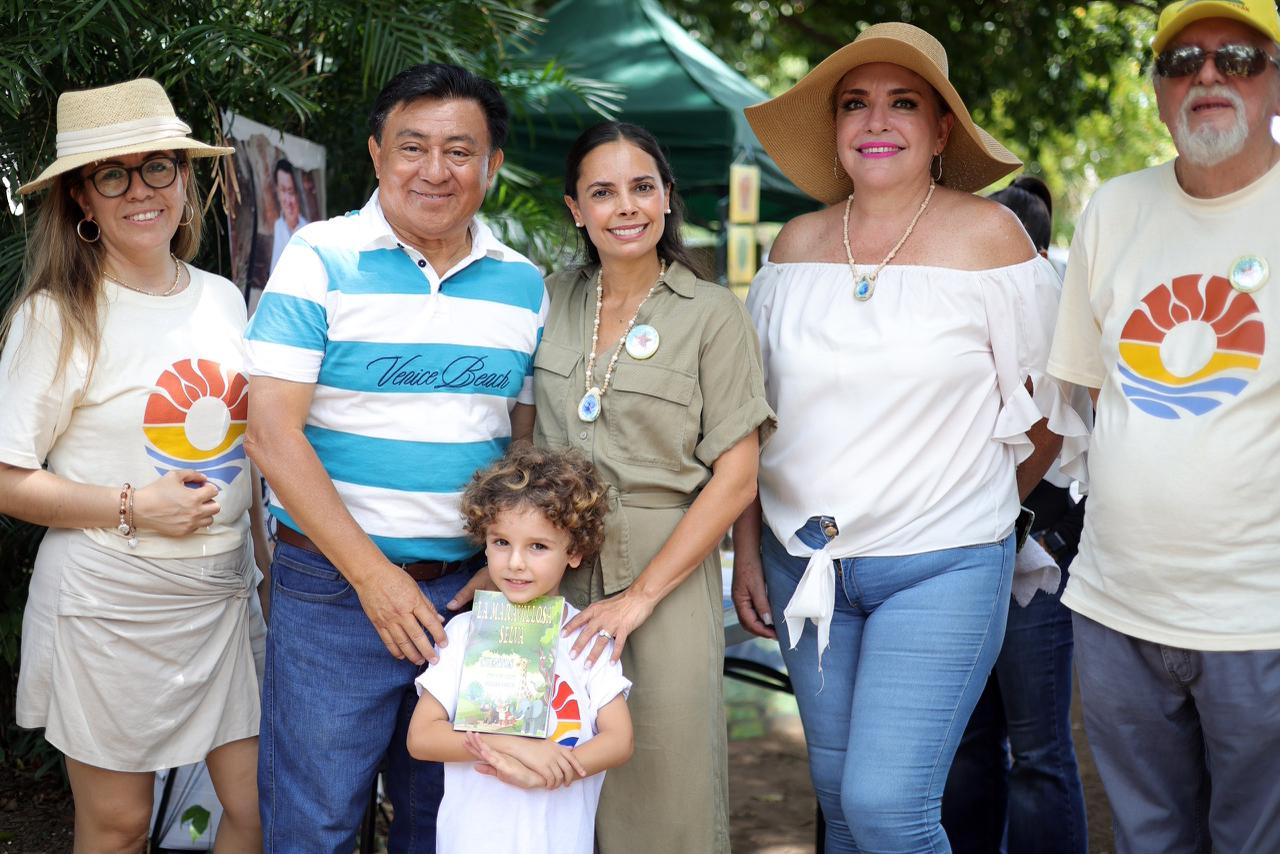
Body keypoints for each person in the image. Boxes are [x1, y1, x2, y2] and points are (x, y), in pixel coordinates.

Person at [732, 23, 1088, 853]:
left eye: (903, 103)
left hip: (942, 566)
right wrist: (749, 549)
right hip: (804, 562)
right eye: (855, 104)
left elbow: (1049, 411)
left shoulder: (992, 241)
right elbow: (753, 417)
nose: (876, 121)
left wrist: (973, 507)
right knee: (841, 808)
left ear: (940, 131)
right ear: (835, 129)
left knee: (888, 808)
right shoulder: (794, 245)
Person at [243, 62, 546, 851]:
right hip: (333, 591)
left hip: (475, 596)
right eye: (413, 147)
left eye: (459, 150)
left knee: (456, 826)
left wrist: (506, 569)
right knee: (315, 827)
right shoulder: (318, 258)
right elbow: (270, 435)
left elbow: (523, 447)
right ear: (377, 154)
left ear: (492, 164)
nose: (434, 170)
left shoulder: (524, 286)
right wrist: (373, 577)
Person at [0, 78, 266, 851]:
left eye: (157, 166)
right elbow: (7, 477)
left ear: (185, 178)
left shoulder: (223, 298)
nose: (141, 190)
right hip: (111, 606)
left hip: (226, 599)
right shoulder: (57, 315)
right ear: (82, 198)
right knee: (117, 828)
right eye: (112, 175)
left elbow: (246, 450)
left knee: (259, 809)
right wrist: (132, 506)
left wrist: (265, 569)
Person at [1048, 1, 1280, 850]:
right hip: (1117, 607)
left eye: (1236, 57)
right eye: (1181, 61)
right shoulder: (1114, 209)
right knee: (1147, 840)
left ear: (1276, 79)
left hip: (1262, 616)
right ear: (1156, 89)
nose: (1207, 75)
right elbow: (1078, 399)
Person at [533, 120, 774, 853]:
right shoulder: (546, 300)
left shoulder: (713, 314)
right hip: (546, 574)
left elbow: (737, 476)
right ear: (576, 209)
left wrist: (638, 599)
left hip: (664, 575)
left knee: (666, 794)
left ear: (668, 197)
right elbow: (517, 436)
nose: (626, 207)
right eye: (602, 192)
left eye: (642, 187)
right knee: (548, 786)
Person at [942, 176, 1088, 854]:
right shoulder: (960, 308)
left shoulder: (1056, 312)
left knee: (1037, 749)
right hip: (960, 557)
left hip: (1037, 554)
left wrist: (996, 513)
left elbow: (1062, 436)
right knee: (970, 743)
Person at [409, 445, 633, 854]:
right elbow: (421, 737)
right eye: (501, 542)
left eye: (538, 547)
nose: (515, 562)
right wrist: (515, 745)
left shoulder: (586, 639)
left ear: (574, 551)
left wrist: (550, 773)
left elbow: (619, 740)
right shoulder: (464, 632)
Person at [268, 157, 308, 272]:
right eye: (282, 190)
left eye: (291, 192)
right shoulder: (278, 225)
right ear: (277, 191)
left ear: (298, 194)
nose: (287, 200)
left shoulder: (307, 229)